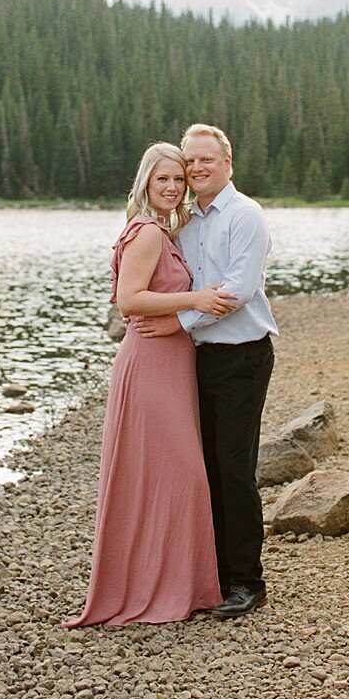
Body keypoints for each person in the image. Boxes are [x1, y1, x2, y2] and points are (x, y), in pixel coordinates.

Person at [63, 142, 238, 627]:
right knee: (184, 475)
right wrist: (197, 299)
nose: (172, 187)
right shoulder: (146, 233)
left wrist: (188, 309)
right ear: (145, 182)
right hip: (151, 364)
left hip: (171, 361)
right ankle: (161, 588)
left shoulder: (166, 231)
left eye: (178, 180)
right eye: (163, 179)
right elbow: (129, 300)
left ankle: (177, 584)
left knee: (163, 475)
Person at [134, 124, 278, 618]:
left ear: (228, 163)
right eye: (189, 162)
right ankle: (211, 575)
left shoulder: (245, 216)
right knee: (203, 470)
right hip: (197, 359)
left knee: (234, 470)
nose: (196, 169)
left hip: (242, 357)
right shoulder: (184, 222)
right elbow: (179, 281)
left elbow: (236, 291)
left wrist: (177, 320)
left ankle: (248, 582)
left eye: (205, 161)